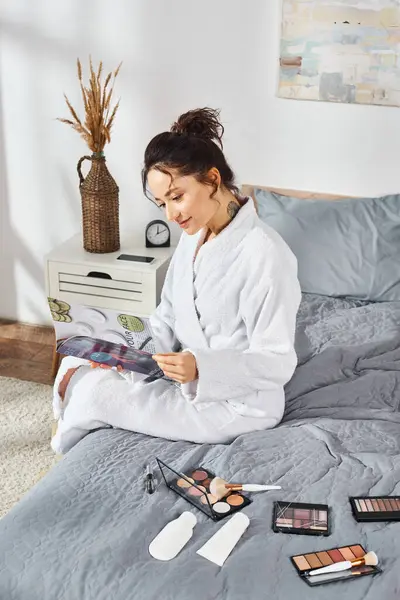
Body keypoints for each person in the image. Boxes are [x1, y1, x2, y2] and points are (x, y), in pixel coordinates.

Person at [51, 108, 301, 454]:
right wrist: (120, 352)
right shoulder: (193, 236)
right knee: (77, 363)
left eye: (177, 196)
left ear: (213, 179)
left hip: (239, 404)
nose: (171, 215)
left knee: (94, 393)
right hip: (182, 379)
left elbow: (278, 361)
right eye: (162, 203)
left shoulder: (266, 254)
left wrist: (201, 367)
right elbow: (167, 315)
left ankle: (66, 439)